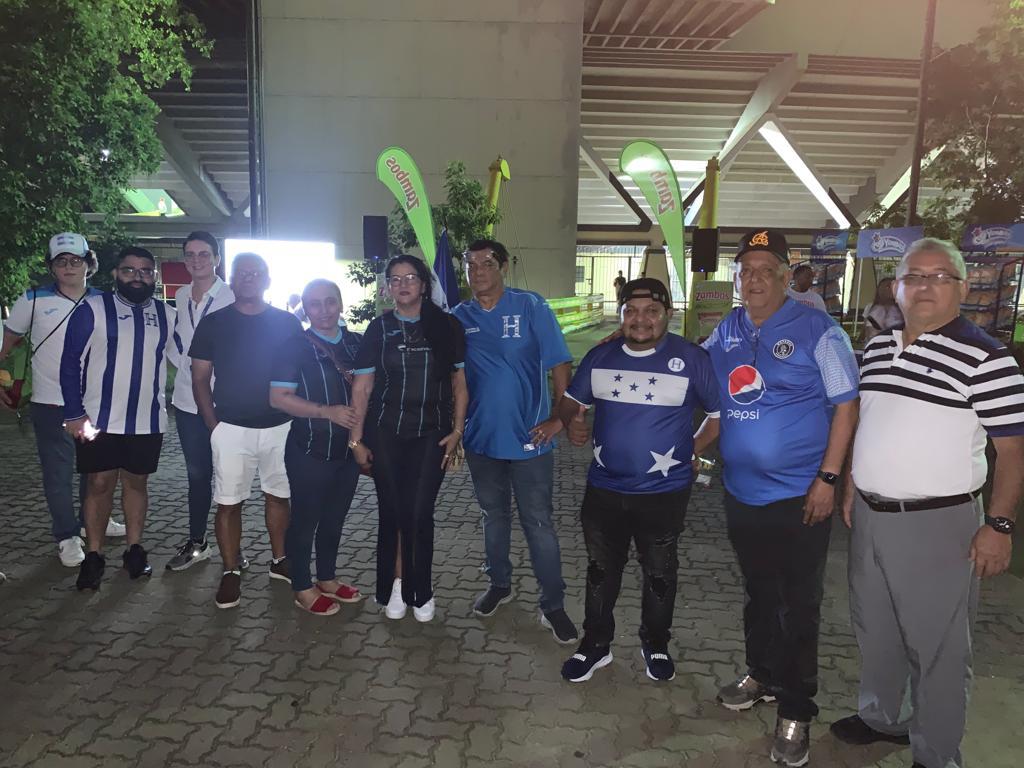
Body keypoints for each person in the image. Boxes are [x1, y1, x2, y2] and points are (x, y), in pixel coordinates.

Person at [831, 238, 1024, 768]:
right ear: (896, 286)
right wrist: (852, 486)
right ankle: (882, 718)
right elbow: (870, 425)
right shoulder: (876, 347)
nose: (924, 286)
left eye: (940, 276)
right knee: (877, 626)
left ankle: (937, 753)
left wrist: (1000, 526)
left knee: (939, 647)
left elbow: (1014, 451)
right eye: (914, 276)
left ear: (962, 288)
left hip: (940, 525)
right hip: (871, 514)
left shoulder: (988, 357)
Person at [696, 229, 859, 766]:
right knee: (759, 594)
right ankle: (761, 675)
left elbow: (845, 406)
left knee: (798, 605)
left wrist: (829, 479)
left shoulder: (820, 330)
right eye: (748, 269)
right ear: (738, 278)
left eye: (768, 269)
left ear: (788, 276)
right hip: (742, 493)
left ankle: (796, 709)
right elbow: (696, 376)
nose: (756, 278)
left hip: (800, 496)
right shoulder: (728, 329)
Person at [554, 278, 721, 683]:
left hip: (664, 493)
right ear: (621, 314)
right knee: (600, 570)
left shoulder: (692, 359)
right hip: (604, 489)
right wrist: (570, 424)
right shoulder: (601, 356)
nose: (641, 320)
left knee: (660, 572)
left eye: (651, 312)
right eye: (632, 311)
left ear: (668, 314)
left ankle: (656, 643)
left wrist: (692, 450)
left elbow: (718, 415)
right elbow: (571, 402)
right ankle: (595, 646)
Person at [452, 238, 578, 644]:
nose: (477, 272)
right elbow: (451, 378)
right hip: (481, 441)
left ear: (503, 266)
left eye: (486, 264)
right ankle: (500, 584)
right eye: (470, 265)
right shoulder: (459, 317)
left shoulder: (530, 307)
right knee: (494, 517)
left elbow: (560, 363)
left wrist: (560, 418)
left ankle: (553, 604)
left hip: (530, 440)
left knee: (538, 522)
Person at [348, 255, 467, 623]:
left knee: (419, 513)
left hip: (432, 433)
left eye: (410, 278)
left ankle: (423, 589)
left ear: (423, 285)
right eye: (395, 279)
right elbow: (363, 387)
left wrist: (457, 431)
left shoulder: (447, 326)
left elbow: (459, 385)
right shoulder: (378, 329)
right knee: (394, 512)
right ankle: (396, 584)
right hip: (385, 434)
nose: (402, 285)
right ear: (387, 287)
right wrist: (356, 440)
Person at [0, 233, 124, 567]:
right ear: (52, 267)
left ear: (89, 263)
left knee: (95, 471)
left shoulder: (105, 302)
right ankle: (67, 536)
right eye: (61, 261)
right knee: (58, 473)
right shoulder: (33, 300)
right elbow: (8, 346)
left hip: (95, 404)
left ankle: (91, 520)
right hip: (50, 402)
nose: (69, 267)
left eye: (75, 260)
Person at [189, 253, 302, 609]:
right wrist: (213, 426)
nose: (249, 278)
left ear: (267, 280)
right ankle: (230, 570)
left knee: (279, 496)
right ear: (232, 279)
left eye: (256, 273)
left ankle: (280, 561)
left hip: (280, 427)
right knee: (228, 503)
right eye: (242, 273)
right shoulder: (214, 323)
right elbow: (200, 378)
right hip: (231, 428)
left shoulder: (286, 322)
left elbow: (303, 373)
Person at [60, 246, 177, 589]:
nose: (137, 277)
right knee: (99, 484)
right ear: (115, 273)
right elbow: (70, 363)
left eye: (145, 271)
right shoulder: (92, 309)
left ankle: (134, 549)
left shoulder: (166, 314)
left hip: (147, 419)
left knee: (137, 483)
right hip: (98, 418)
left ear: (153, 277)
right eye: (129, 270)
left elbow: (185, 360)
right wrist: (73, 413)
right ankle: (94, 555)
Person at [269, 279, 364, 616]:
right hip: (310, 449)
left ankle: (327, 578)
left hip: (348, 451)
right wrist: (328, 412)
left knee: (334, 519)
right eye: (314, 304)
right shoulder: (294, 345)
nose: (323, 311)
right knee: (305, 520)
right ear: (305, 309)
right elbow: (278, 398)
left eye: (329, 302)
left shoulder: (356, 343)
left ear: (340, 303)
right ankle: (301, 585)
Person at [165, 231, 235, 571]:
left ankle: (231, 548)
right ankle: (197, 541)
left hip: (224, 401)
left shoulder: (231, 296)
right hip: (186, 400)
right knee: (197, 475)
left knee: (228, 476)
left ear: (216, 259)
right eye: (190, 255)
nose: (197, 261)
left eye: (204, 254)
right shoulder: (179, 295)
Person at [860, 277, 902, 343]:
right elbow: (867, 328)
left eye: (890, 286)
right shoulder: (871, 307)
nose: (887, 290)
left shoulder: (901, 309)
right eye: (885, 287)